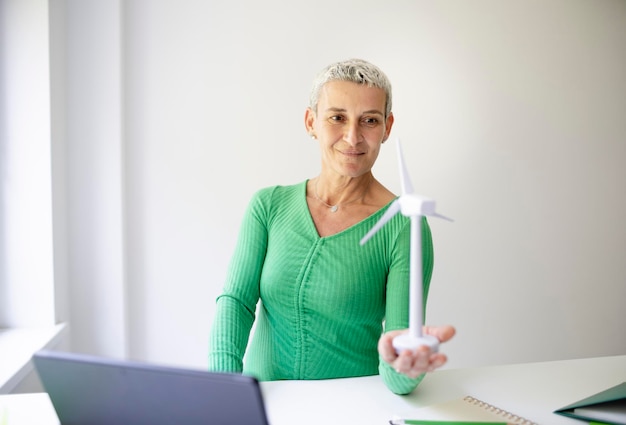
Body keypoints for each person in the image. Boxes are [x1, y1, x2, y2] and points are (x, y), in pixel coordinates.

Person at [208, 58, 455, 395]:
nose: (352, 137)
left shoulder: (404, 226)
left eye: (369, 120)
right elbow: (236, 302)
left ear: (387, 128)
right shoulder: (268, 206)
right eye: (337, 117)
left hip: (351, 409)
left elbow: (399, 359)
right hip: (264, 404)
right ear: (311, 122)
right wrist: (224, 392)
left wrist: (407, 367)